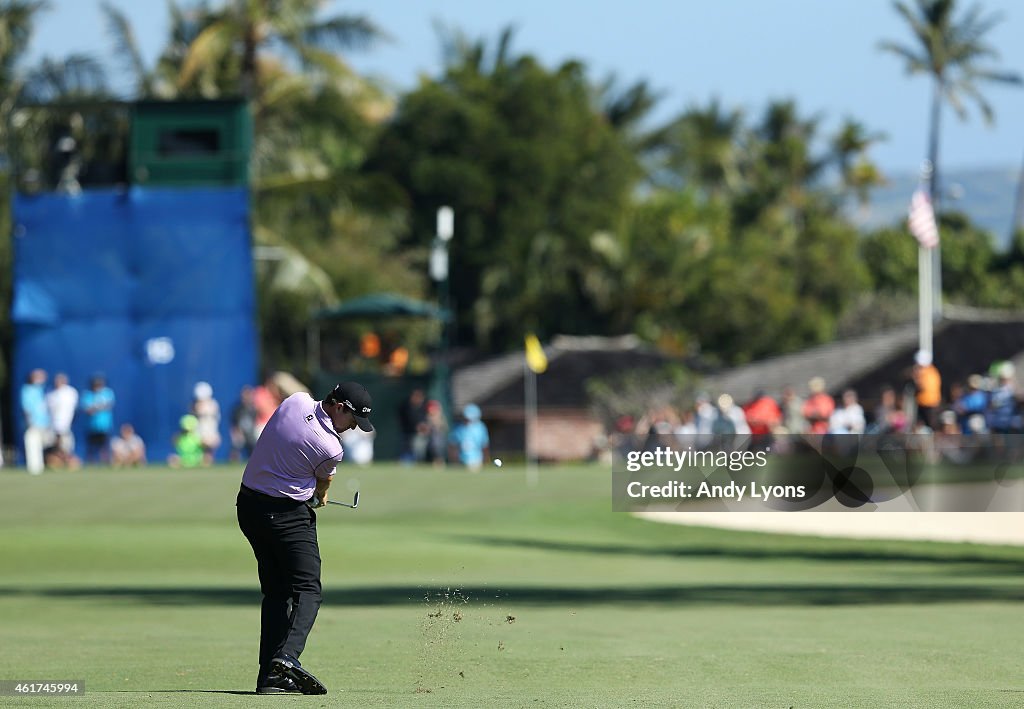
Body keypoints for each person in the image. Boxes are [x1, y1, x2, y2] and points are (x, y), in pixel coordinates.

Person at [236, 381, 374, 695]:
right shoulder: (331, 447)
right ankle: (286, 657)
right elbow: (322, 485)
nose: (352, 428)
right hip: (286, 517)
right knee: (308, 589)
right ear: (339, 407)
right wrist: (320, 497)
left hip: (248, 507)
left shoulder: (295, 402)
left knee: (276, 593)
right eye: (352, 421)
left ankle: (269, 678)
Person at [21, 369, 51, 475]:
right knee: (32, 443)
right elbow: (26, 408)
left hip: (44, 423)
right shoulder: (27, 390)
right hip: (33, 423)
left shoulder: (42, 390)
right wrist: (30, 421)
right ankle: (34, 468)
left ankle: (41, 466)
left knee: (43, 444)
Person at [46, 372, 79, 469]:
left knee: (66, 447)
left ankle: (70, 463)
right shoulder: (51, 394)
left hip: (65, 426)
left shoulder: (70, 392)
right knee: (56, 447)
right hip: (53, 426)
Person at [80, 374, 115, 464]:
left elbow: (108, 405)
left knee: (105, 446)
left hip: (104, 425)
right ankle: (91, 462)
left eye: (100, 384)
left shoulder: (107, 393)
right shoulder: (88, 394)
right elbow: (88, 410)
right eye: (96, 384)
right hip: (91, 426)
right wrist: (98, 407)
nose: (98, 386)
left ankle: (106, 462)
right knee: (91, 447)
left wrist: (96, 407)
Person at [448, 403, 490, 472]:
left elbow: (484, 446)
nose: (467, 420)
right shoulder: (459, 428)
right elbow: (453, 445)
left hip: (476, 461)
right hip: (461, 461)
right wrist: (454, 461)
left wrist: (486, 461)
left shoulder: (480, 428)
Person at [192, 381, 222, 464]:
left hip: (209, 431)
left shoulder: (212, 404)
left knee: (208, 451)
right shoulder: (195, 405)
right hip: (200, 432)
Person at [397, 388, 427, 463]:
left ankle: (418, 461)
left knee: (418, 449)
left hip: (419, 433)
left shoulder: (423, 407)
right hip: (407, 432)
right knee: (406, 449)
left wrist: (423, 426)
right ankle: (405, 461)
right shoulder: (405, 406)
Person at [231, 386, 259, 461]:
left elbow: (256, 422)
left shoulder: (254, 408)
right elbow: (235, 423)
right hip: (240, 432)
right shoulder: (238, 409)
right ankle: (233, 463)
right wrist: (238, 433)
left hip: (251, 432)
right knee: (236, 445)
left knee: (255, 447)